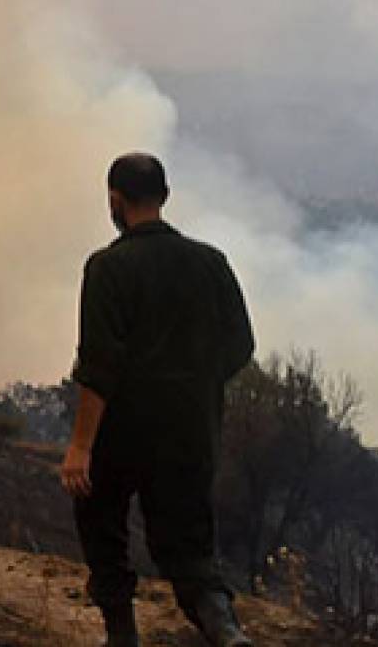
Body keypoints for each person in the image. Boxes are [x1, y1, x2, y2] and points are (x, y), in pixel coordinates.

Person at [61, 153, 257, 647]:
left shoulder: (107, 268)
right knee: (189, 546)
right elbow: (241, 345)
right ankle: (224, 629)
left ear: (115, 201)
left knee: (102, 525)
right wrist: (195, 386)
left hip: (123, 431)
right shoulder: (211, 262)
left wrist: (81, 445)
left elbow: (99, 364)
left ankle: (122, 635)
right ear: (165, 196)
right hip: (191, 432)